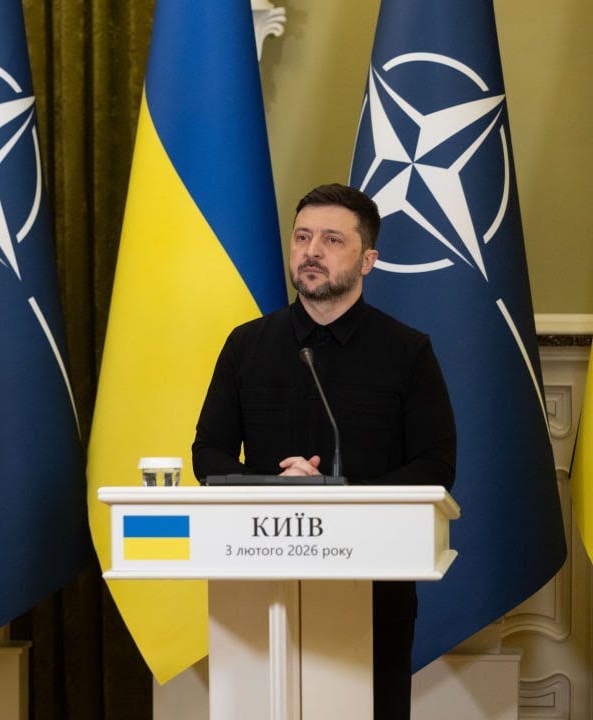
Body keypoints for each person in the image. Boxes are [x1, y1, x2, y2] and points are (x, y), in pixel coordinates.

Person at [192, 183, 456, 720]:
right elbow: (208, 453)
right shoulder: (246, 344)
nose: (312, 251)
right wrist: (274, 488)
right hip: (259, 585)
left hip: (376, 588)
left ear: (368, 261)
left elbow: (436, 465)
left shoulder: (407, 351)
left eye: (333, 240)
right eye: (302, 237)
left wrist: (341, 497)